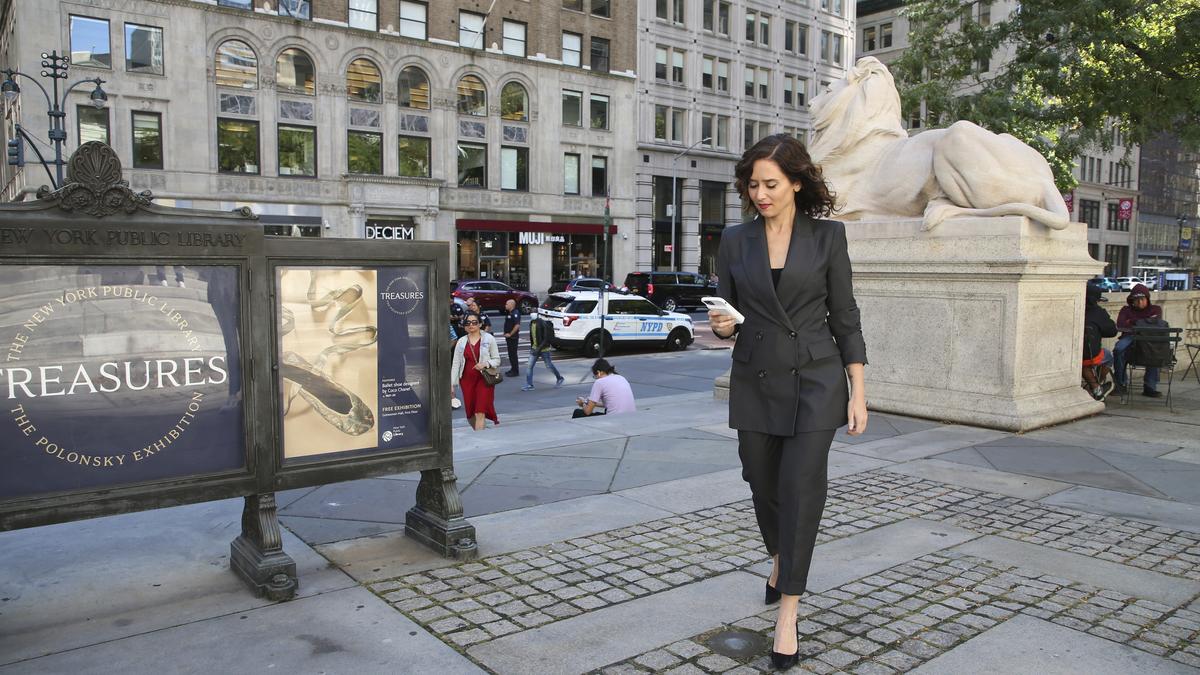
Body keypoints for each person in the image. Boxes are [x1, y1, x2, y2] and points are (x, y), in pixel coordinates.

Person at [708, 134, 868, 670]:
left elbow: (845, 316)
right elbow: (727, 316)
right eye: (753, 184)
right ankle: (779, 560)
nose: (761, 194)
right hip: (754, 377)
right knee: (759, 478)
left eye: (771, 184)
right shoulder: (735, 240)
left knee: (801, 490)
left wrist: (858, 391)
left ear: (796, 182)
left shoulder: (827, 238)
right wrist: (721, 325)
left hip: (816, 380)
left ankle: (788, 615)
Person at [1112, 283, 1164, 398]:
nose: (1140, 302)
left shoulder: (1156, 309)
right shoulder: (1126, 310)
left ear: (1147, 299)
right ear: (1132, 300)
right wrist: (1144, 321)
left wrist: (1132, 321)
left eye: (1142, 299)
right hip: (1130, 336)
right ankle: (1121, 383)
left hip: (1148, 338)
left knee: (1154, 350)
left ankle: (1150, 386)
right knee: (1118, 349)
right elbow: (1120, 324)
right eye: (1136, 300)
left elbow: (1154, 324)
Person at [451, 312, 501, 430]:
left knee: (480, 412)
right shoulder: (461, 341)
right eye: (468, 323)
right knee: (470, 414)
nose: (471, 325)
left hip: (484, 379)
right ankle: (479, 431)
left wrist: (486, 363)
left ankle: (482, 442)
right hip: (466, 380)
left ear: (480, 324)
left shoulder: (489, 339)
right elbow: (456, 364)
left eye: (474, 322)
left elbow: (497, 360)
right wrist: (452, 384)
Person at [1081, 285, 1117, 401]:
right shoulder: (1098, 312)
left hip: (1074, 355)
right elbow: (1112, 331)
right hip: (1091, 356)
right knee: (1108, 356)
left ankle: (1095, 387)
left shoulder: (1075, 308)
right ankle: (1098, 385)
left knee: (1083, 360)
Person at [522, 310, 564, 391]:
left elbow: (545, 338)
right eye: (531, 312)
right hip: (535, 349)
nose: (532, 313)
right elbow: (532, 336)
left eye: (534, 312)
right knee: (529, 366)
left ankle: (559, 378)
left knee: (549, 366)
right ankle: (529, 384)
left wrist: (538, 348)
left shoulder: (542, 323)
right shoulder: (531, 323)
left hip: (544, 349)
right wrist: (533, 347)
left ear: (537, 314)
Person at [502, 299, 522, 377]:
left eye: (507, 304)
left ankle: (515, 371)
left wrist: (510, 334)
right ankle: (512, 369)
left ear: (511, 305)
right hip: (509, 337)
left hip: (513, 338)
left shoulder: (515, 313)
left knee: (513, 354)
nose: (505, 305)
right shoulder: (509, 313)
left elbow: (517, 325)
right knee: (510, 354)